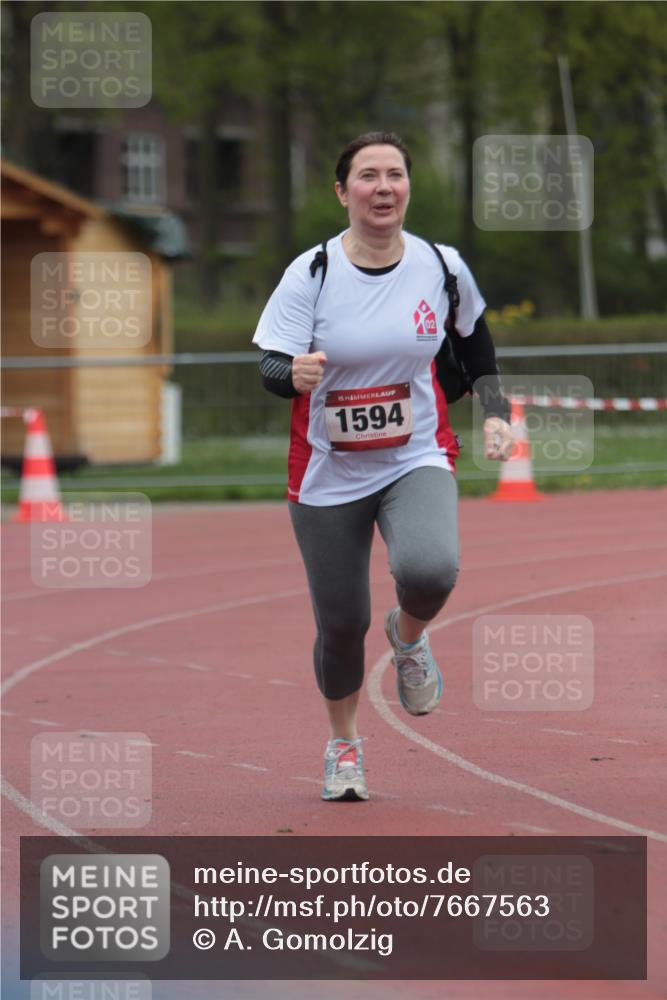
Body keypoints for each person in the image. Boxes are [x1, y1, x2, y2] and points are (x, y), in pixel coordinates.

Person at [253, 131, 513, 802]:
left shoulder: (439, 264)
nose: (382, 187)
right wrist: (295, 373)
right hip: (326, 472)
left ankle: (409, 636)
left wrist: (493, 410)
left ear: (406, 188)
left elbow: (474, 341)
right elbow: (270, 365)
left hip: (414, 454)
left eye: (393, 174)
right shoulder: (309, 273)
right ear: (342, 193)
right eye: (367, 176)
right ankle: (344, 743)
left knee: (429, 569)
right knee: (341, 623)